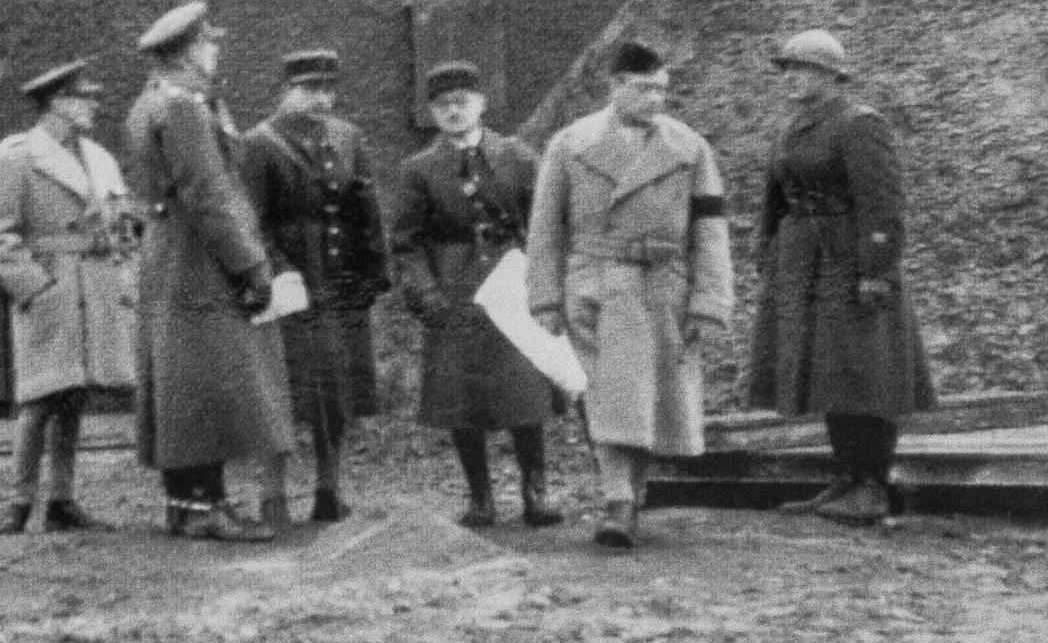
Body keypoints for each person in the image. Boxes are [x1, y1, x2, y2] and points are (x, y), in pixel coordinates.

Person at [526, 40, 734, 548]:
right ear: (615, 86)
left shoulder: (689, 148)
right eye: (643, 89)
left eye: (662, 89)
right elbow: (546, 226)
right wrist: (546, 297)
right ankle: (618, 500)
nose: (656, 99)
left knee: (650, 397)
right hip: (597, 284)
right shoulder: (570, 144)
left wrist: (710, 301)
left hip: (665, 287)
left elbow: (710, 231)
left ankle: (630, 499)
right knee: (611, 394)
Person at [746, 29, 936, 524]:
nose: (790, 78)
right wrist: (765, 246)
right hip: (803, 261)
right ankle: (846, 479)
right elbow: (775, 195)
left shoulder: (859, 124)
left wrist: (876, 271)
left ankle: (873, 485)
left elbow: (883, 205)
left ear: (832, 75)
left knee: (863, 369)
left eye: (801, 69)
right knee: (826, 369)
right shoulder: (793, 127)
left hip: (849, 261)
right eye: (786, 69)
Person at [123, 0, 295, 542]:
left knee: (181, 378)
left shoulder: (151, 103)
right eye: (211, 44)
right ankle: (204, 506)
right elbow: (209, 195)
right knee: (206, 380)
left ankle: (185, 502)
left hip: (171, 253)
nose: (216, 53)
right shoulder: (182, 107)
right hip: (199, 256)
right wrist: (249, 264)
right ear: (192, 50)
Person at [391, 62, 561, 529]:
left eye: (462, 101)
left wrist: (541, 279)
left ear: (481, 105)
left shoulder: (518, 156)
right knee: (461, 397)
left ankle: (535, 491)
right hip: (455, 288)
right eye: (443, 105)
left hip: (512, 284)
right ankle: (480, 497)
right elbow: (406, 243)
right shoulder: (419, 169)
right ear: (432, 112)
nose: (453, 111)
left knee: (524, 391)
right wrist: (426, 294)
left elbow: (546, 225)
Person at [0, 59, 137, 535]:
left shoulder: (99, 157)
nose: (93, 107)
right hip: (52, 287)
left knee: (74, 395)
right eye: (84, 99)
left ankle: (63, 500)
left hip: (95, 286)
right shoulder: (18, 157)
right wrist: (34, 287)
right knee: (39, 397)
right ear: (58, 104)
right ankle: (19, 501)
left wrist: (125, 265)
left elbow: (123, 221)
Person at [237, 49, 387, 525]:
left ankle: (329, 486)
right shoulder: (260, 143)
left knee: (337, 390)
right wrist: (277, 271)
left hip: (340, 281)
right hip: (288, 282)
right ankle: (273, 493)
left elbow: (366, 206)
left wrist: (373, 271)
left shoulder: (347, 137)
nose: (320, 98)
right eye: (308, 89)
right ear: (287, 91)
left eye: (327, 89)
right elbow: (250, 220)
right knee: (282, 389)